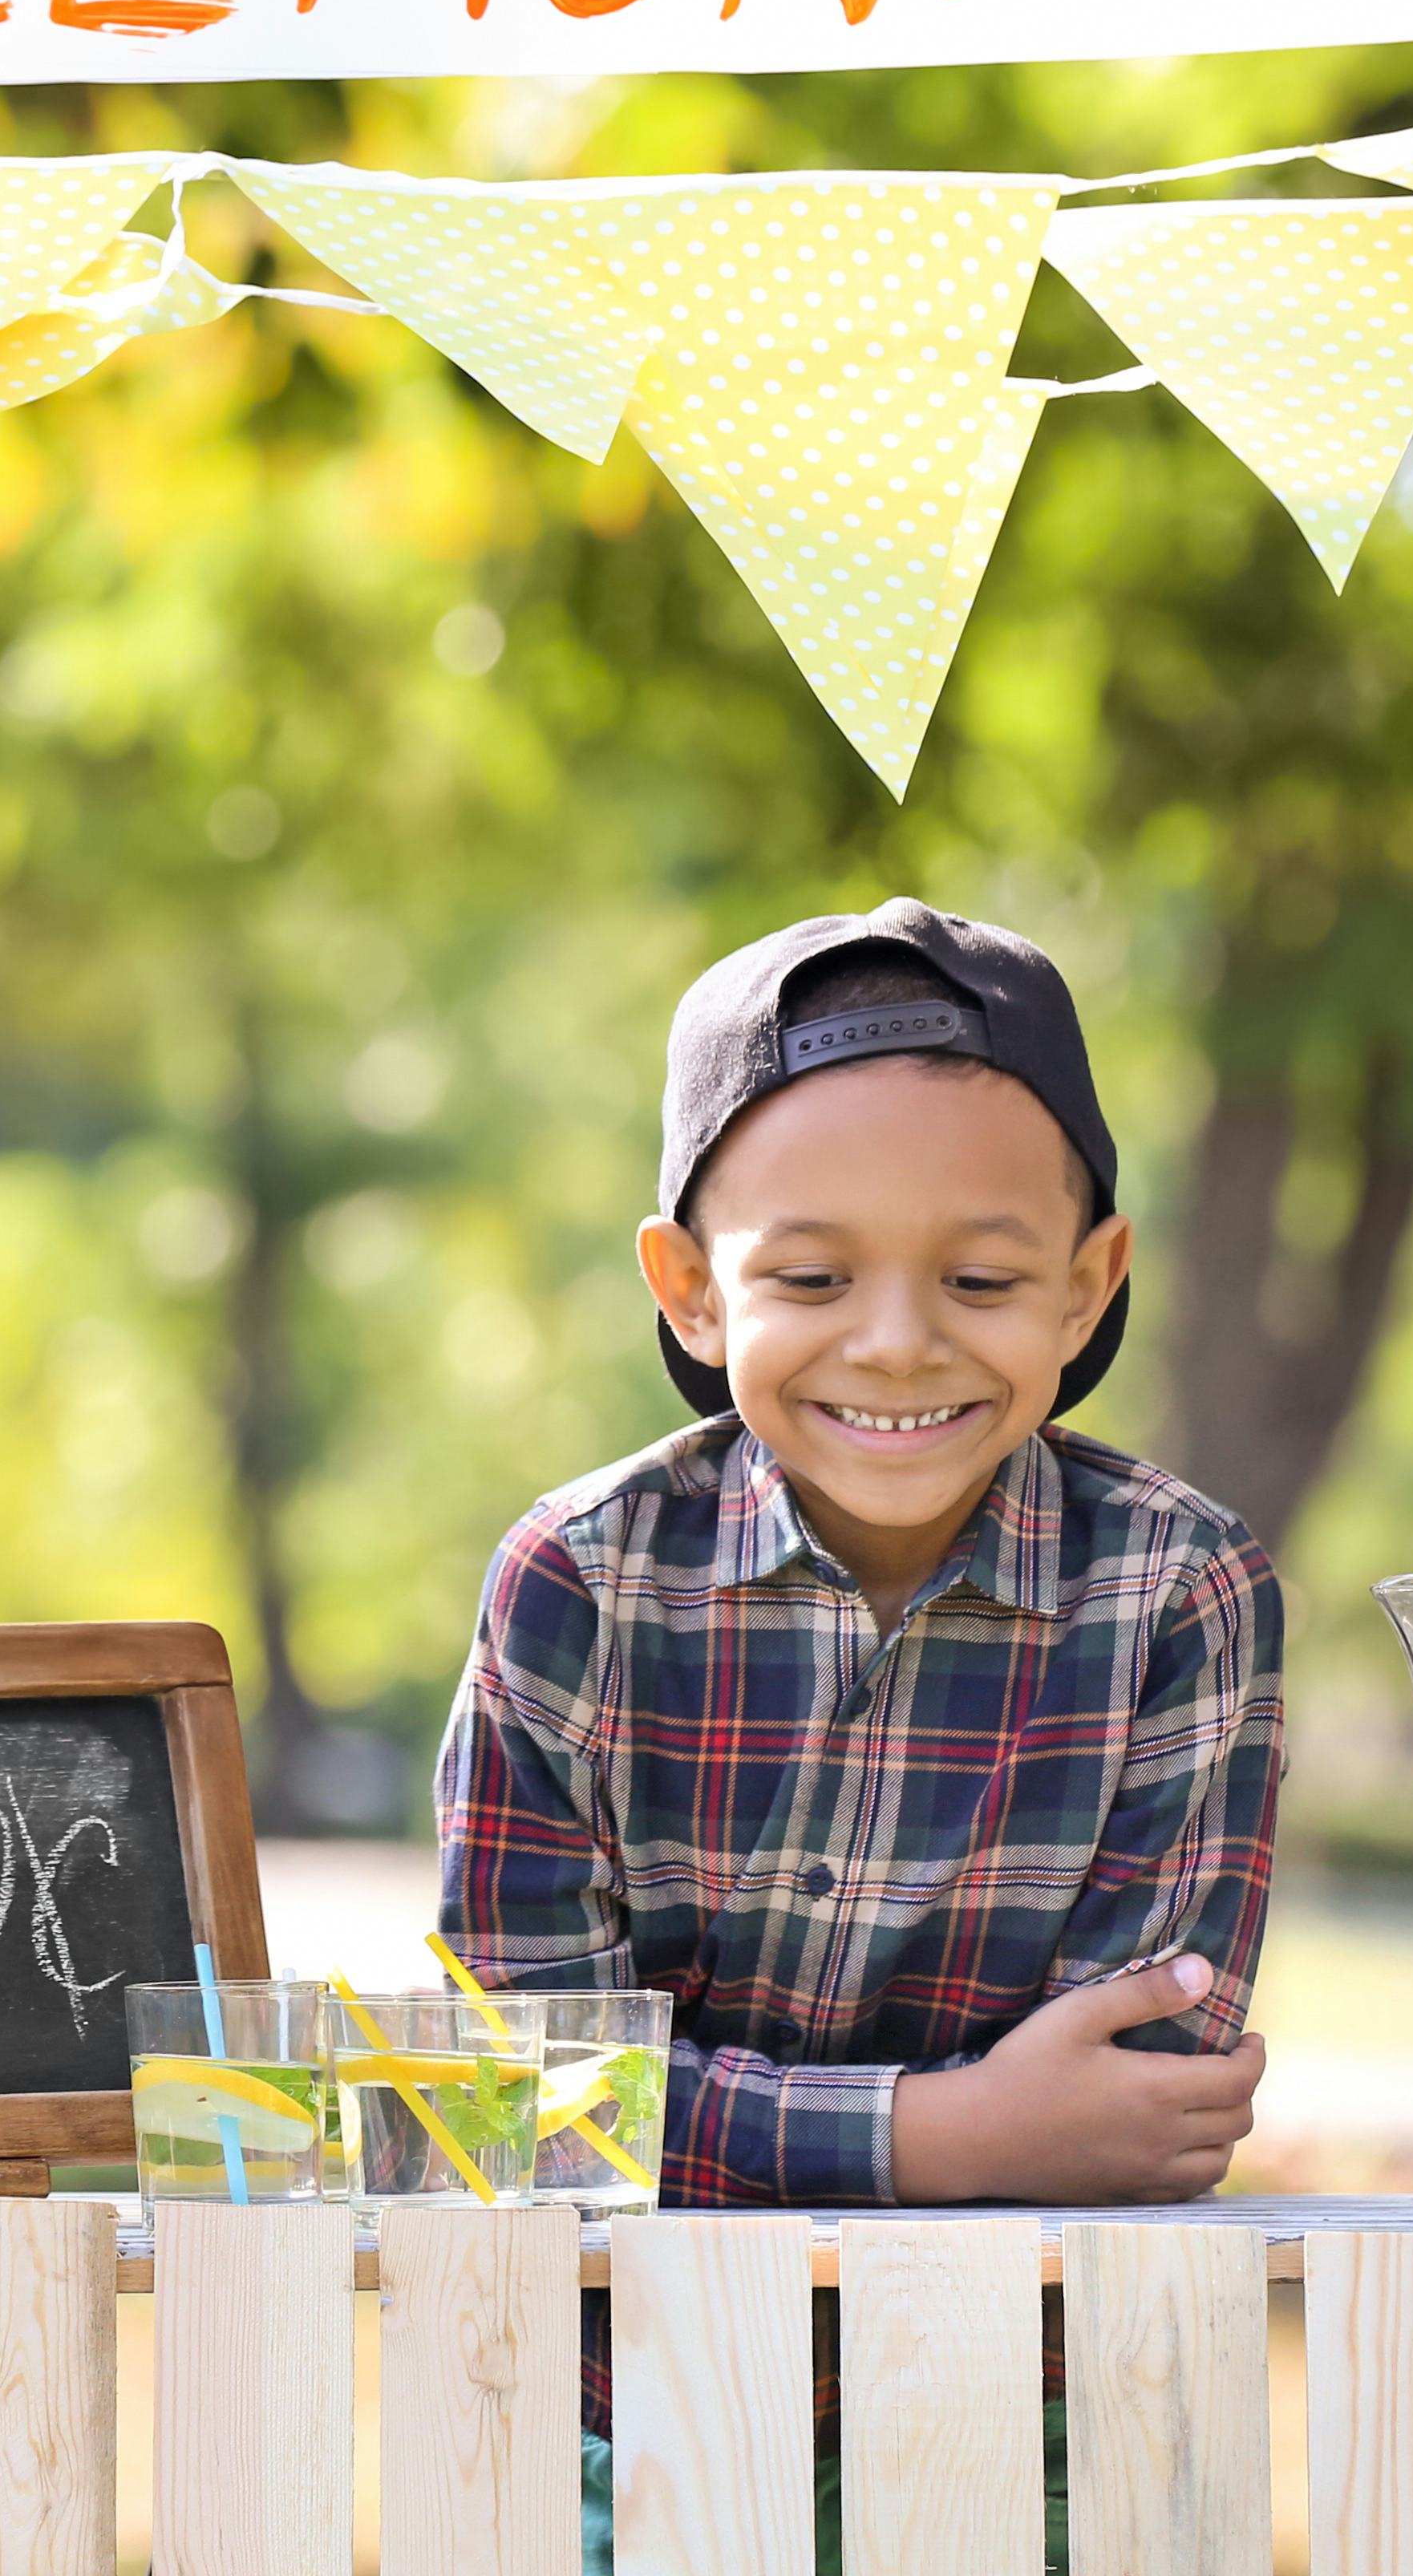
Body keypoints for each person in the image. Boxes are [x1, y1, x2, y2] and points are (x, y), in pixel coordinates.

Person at [433, 900, 1281, 2574]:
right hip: (642, 2397)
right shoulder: (584, 1587)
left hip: (1026, 2404)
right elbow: (514, 2107)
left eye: (979, 1278)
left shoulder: (1182, 1591)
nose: (898, 1340)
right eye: (812, 1278)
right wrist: (945, 2133)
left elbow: (1138, 2105)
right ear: (688, 1291)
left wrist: (689, 2121)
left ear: (1088, 1283)